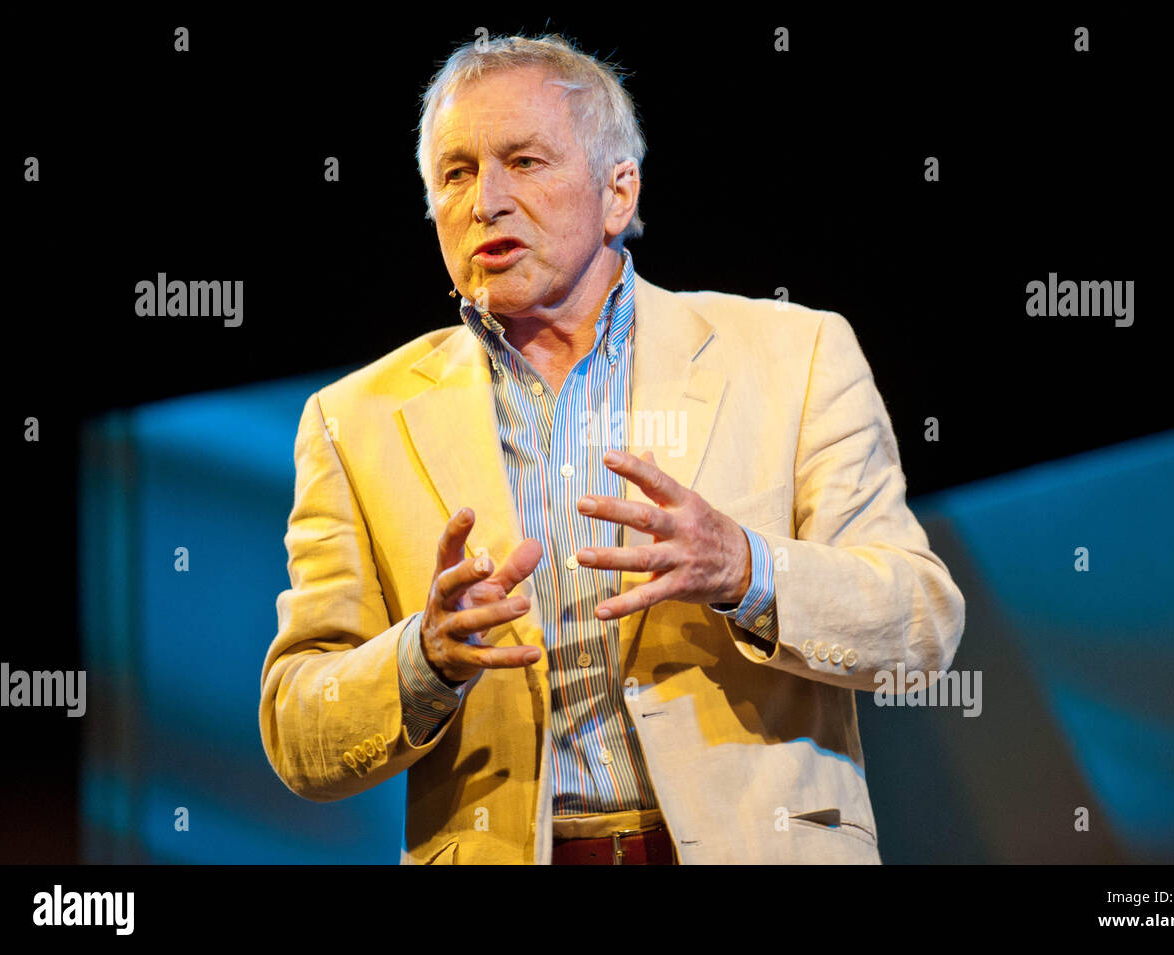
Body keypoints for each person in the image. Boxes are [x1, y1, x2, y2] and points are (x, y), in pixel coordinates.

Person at [259, 33, 965, 865]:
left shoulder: (795, 354)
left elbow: (920, 625)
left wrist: (748, 570)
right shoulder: (354, 419)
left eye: (524, 161)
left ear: (617, 192)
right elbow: (300, 726)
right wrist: (424, 658)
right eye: (455, 173)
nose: (486, 199)